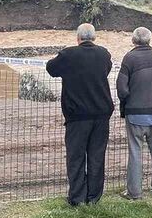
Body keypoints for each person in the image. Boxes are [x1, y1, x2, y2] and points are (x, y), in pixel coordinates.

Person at [46, 23, 114, 206]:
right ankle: (94, 197)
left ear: (78, 38)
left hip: (77, 115)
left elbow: (50, 69)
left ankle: (77, 197)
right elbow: (107, 69)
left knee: (76, 157)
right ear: (94, 38)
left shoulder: (68, 55)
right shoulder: (104, 54)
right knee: (96, 156)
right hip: (101, 113)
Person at [117, 27, 152, 200]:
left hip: (135, 115)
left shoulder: (129, 58)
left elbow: (121, 88)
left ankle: (134, 193)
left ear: (133, 40)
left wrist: (127, 103)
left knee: (135, 153)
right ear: (149, 39)